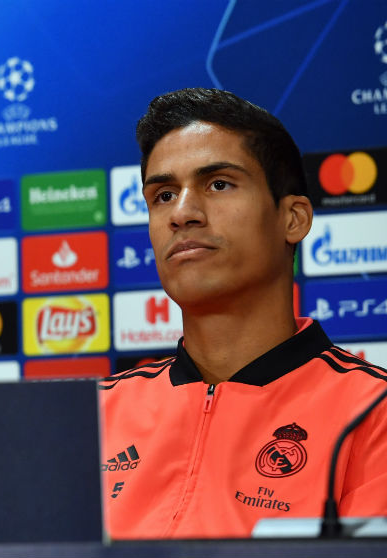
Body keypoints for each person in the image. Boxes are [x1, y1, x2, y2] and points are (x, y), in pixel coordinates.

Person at [100, 88, 387, 539]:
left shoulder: (373, 413)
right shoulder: (96, 414)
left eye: (218, 184)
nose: (183, 213)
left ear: (293, 218)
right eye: (163, 195)